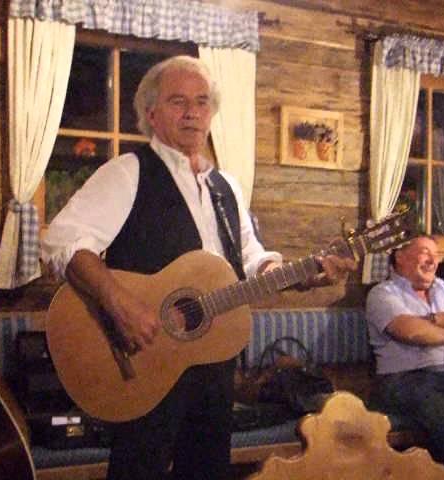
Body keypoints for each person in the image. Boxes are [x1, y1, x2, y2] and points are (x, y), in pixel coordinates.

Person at [42, 55, 354, 480]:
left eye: (202, 102)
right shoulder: (129, 172)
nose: (192, 112)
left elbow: (252, 260)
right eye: (178, 101)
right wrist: (120, 304)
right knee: (139, 470)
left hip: (213, 357)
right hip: (142, 356)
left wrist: (306, 274)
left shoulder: (226, 187)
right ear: (151, 114)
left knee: (206, 470)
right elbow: (62, 239)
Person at [365, 235, 444, 480]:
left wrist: (434, 320)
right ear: (400, 257)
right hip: (403, 379)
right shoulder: (382, 293)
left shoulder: (440, 288)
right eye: (424, 252)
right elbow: (414, 333)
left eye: (436, 254)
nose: (433, 260)